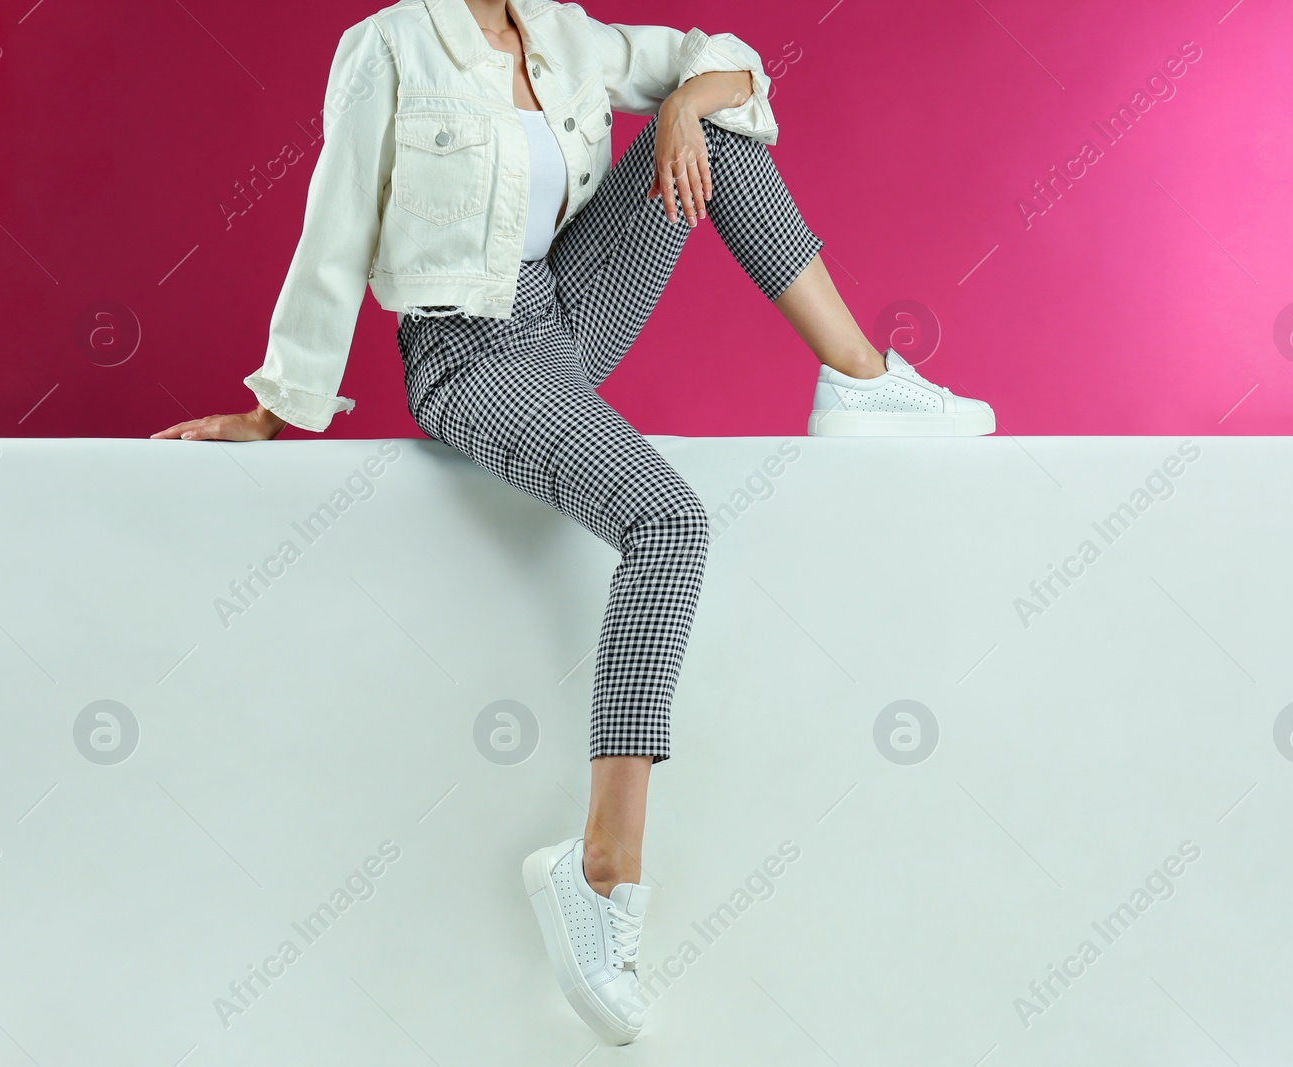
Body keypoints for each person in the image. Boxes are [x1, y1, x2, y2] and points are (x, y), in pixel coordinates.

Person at [152, 0, 994, 1044]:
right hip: (468, 356)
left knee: (717, 132)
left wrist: (685, 104)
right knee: (669, 524)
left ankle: (857, 378)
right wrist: (273, 411)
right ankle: (600, 868)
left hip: (561, 311)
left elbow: (729, 64)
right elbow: (333, 233)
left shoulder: (563, 36)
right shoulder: (390, 48)